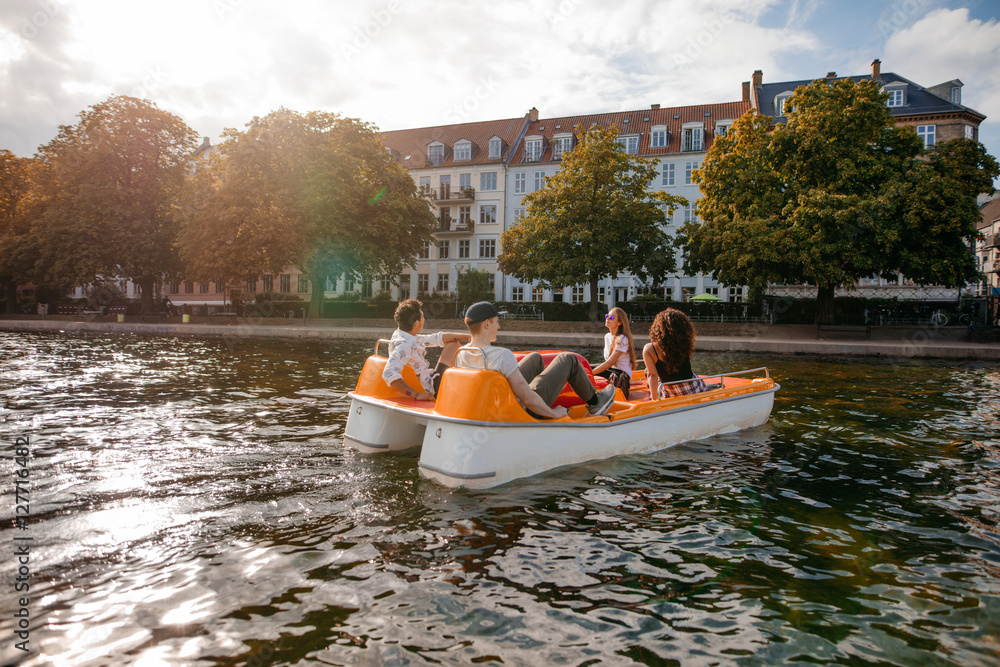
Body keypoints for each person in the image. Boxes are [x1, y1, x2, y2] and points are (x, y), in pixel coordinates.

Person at [456, 301, 616, 419]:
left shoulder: (462, 353)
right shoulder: (501, 355)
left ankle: (545, 391)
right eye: (496, 322)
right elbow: (527, 399)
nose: (498, 327)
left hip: (494, 403)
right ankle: (596, 402)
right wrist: (553, 413)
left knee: (535, 358)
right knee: (568, 359)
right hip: (520, 410)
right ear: (486, 324)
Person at [382, 299, 470, 401]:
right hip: (428, 389)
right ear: (416, 323)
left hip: (427, 379)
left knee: (452, 343)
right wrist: (416, 394)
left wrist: (467, 336)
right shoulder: (405, 345)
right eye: (423, 317)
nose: (424, 319)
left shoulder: (403, 334)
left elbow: (437, 338)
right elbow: (388, 372)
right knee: (454, 346)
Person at [642, 308, 709, 399]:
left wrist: (654, 399)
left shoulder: (650, 349)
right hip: (694, 389)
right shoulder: (684, 342)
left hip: (670, 393)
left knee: (648, 371)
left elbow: (652, 375)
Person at [591, 307, 635, 399]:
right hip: (611, 371)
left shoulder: (622, 338)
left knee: (588, 372)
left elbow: (610, 362)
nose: (607, 318)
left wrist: (590, 373)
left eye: (611, 317)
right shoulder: (607, 336)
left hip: (621, 375)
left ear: (619, 322)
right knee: (586, 368)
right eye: (607, 316)